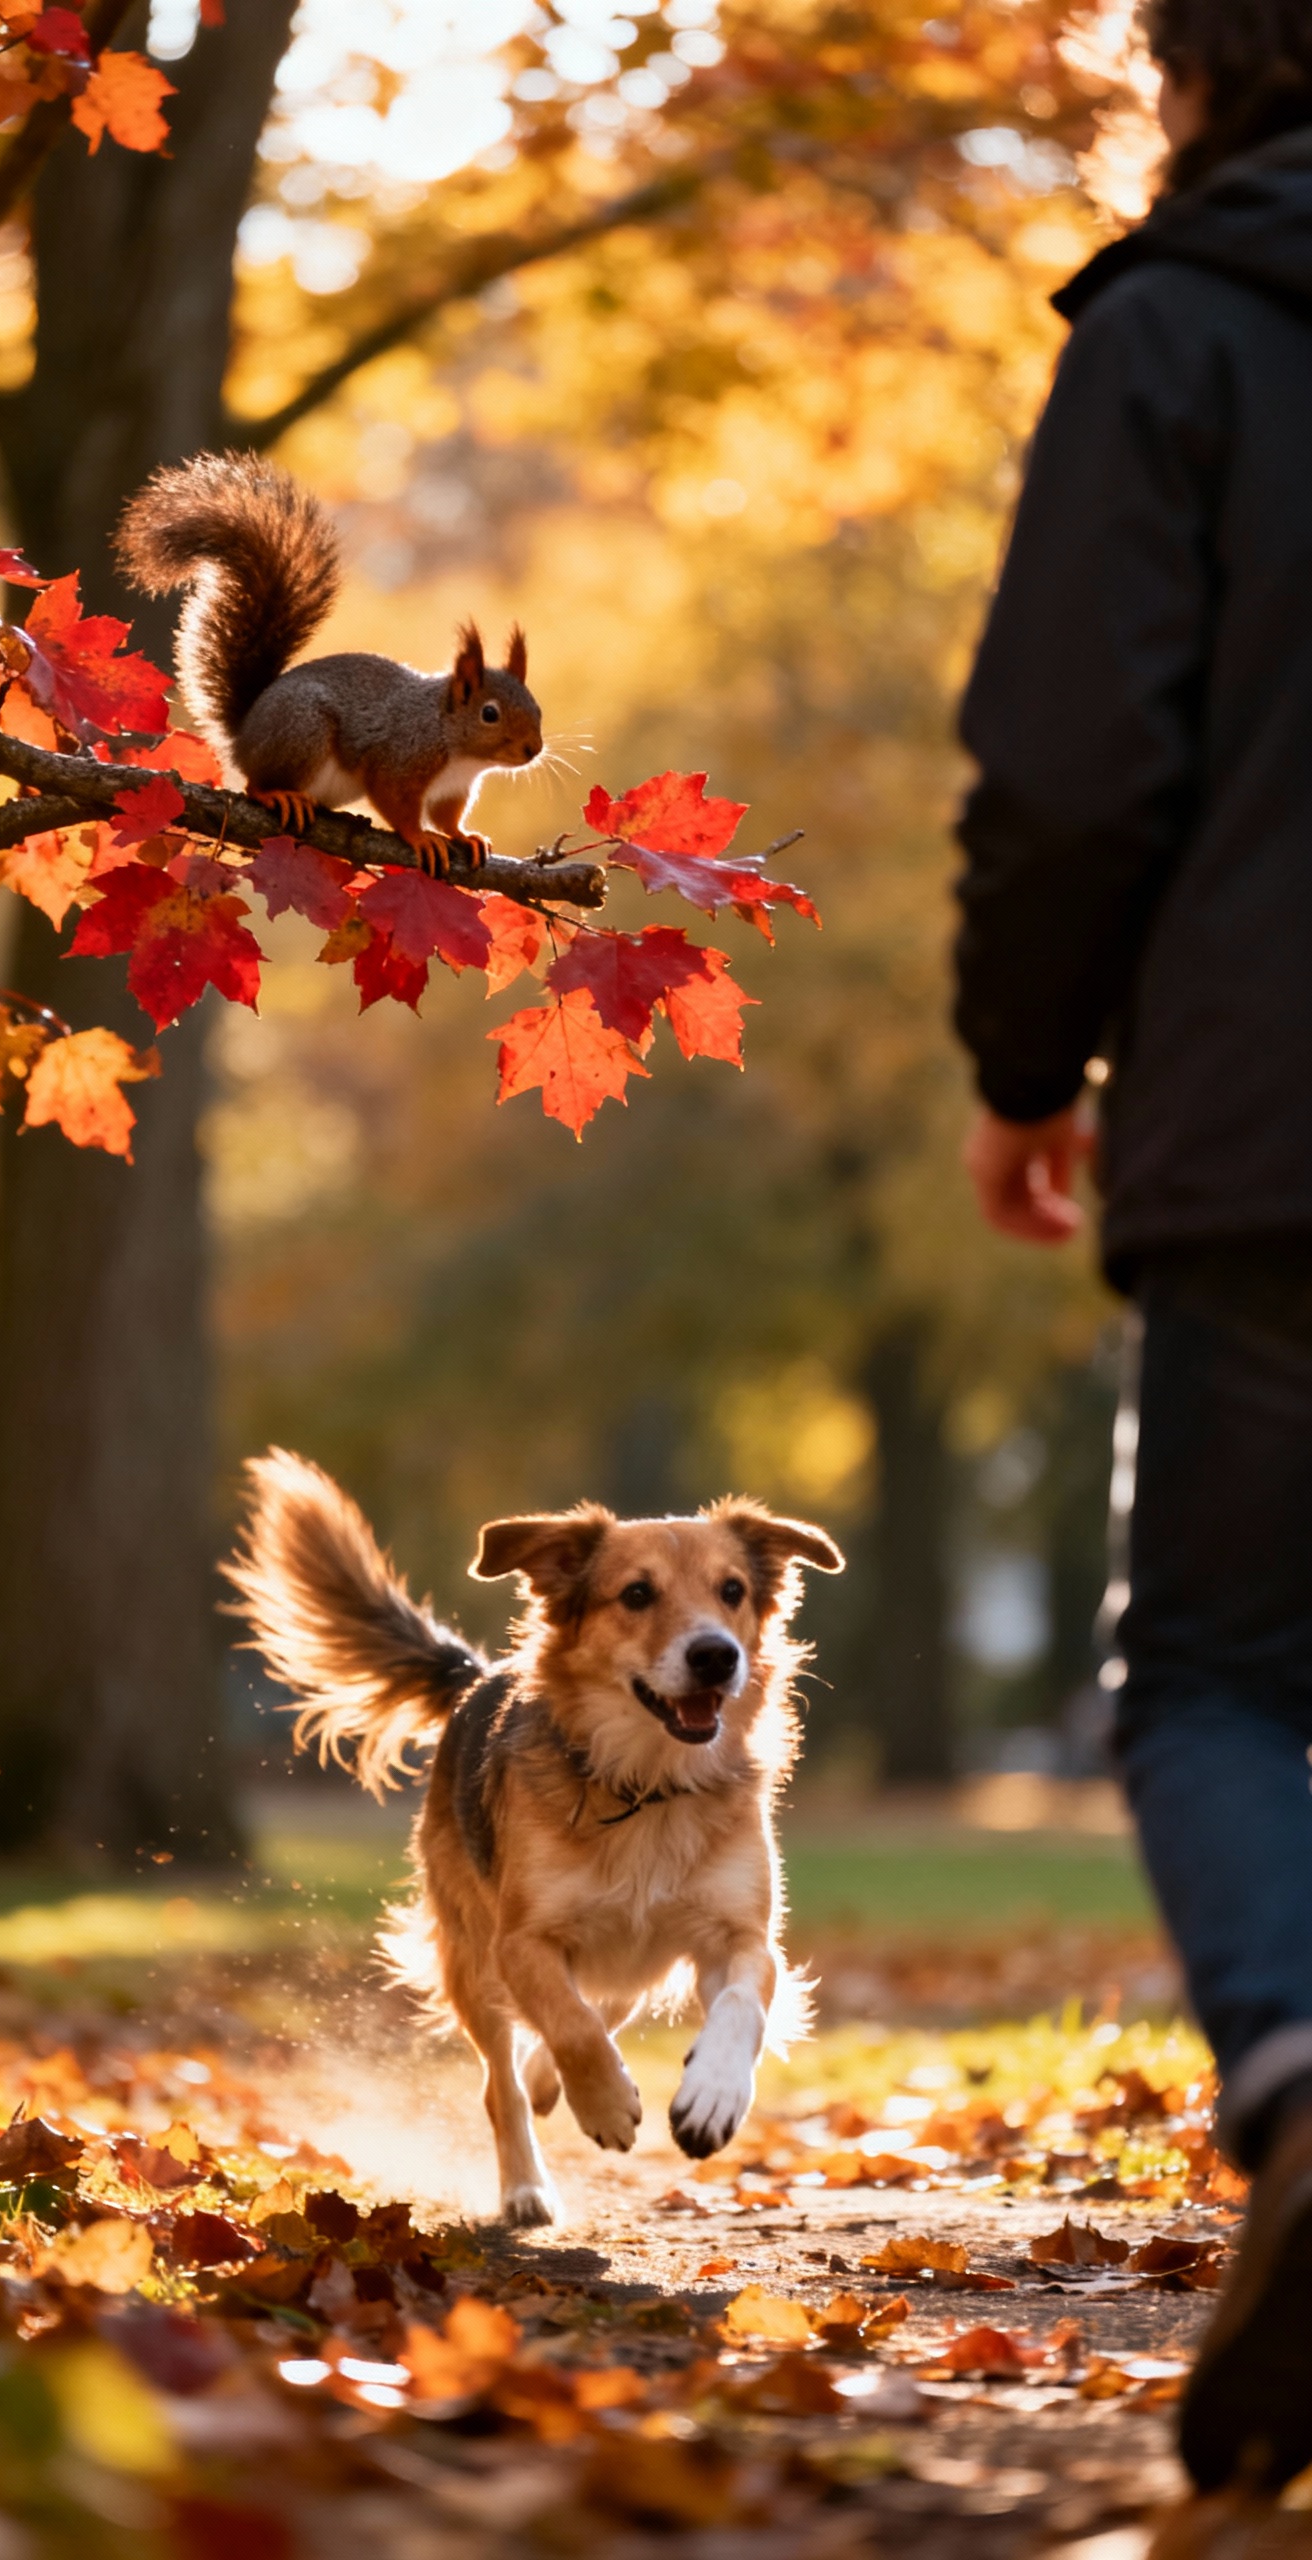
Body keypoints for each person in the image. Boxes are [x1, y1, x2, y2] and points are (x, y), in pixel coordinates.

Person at [952, 0, 1312, 2495]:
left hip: (1274, 1130)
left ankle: (1304, 2077)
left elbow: (1080, 758)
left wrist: (1022, 1058)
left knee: (1201, 1668)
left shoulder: (1182, 330)